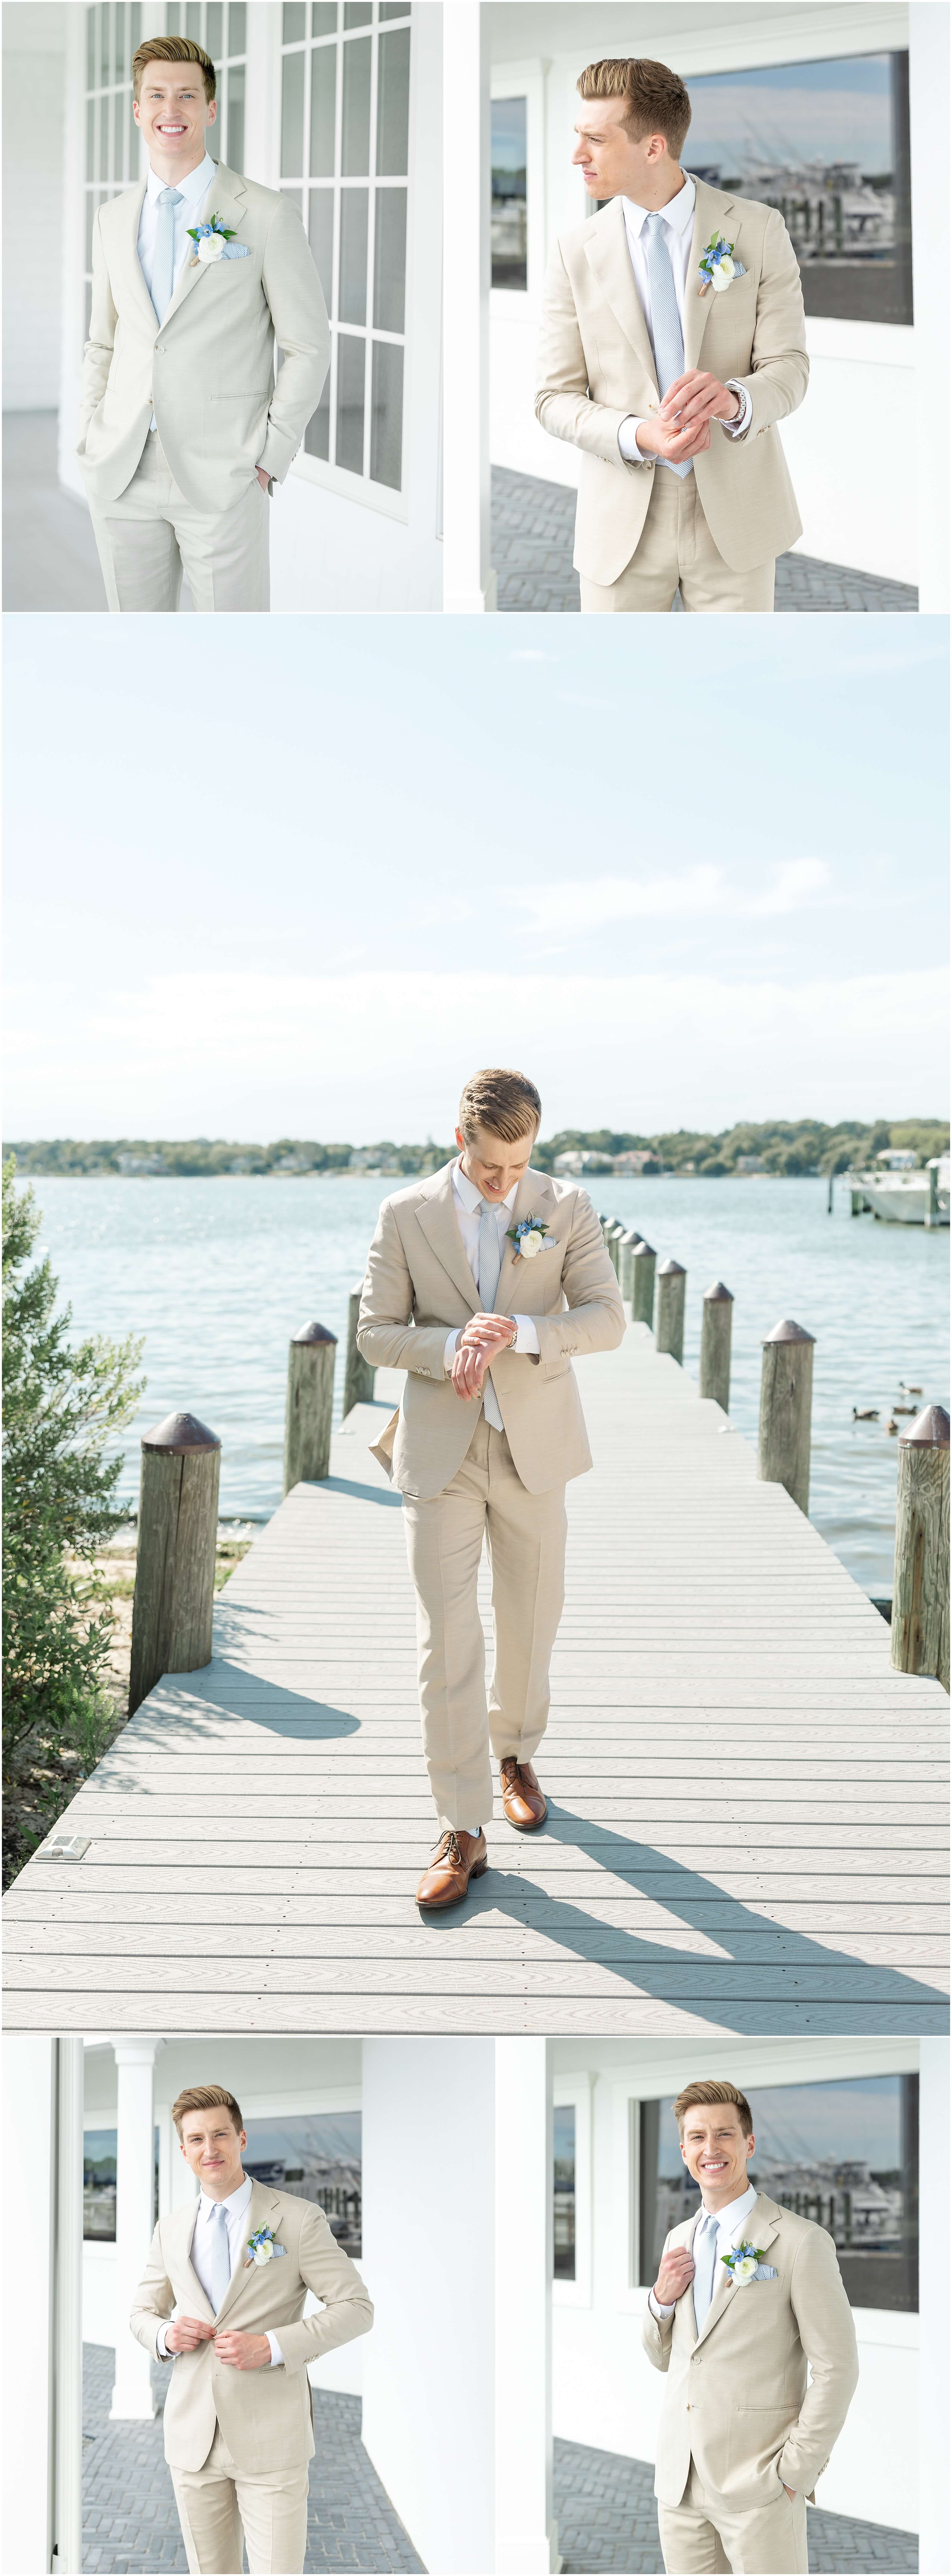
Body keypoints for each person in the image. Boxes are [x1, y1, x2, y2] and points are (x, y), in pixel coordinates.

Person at [356, 1067, 625, 1911]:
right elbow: (374, 1335)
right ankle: (462, 1823)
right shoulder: (405, 1214)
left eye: (519, 1165)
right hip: (438, 1451)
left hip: (534, 1449)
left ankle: (515, 1751)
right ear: (460, 1139)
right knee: (445, 1639)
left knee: (529, 1619)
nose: (506, 1183)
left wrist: (525, 1329)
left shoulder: (565, 1206)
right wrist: (449, 1345)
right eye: (489, 1166)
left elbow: (609, 1317)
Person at [535, 57, 808, 613]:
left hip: (737, 522)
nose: (577, 155)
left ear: (653, 148)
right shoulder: (573, 252)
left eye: (596, 139)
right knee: (621, 693)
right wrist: (640, 435)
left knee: (738, 689)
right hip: (621, 527)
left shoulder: (757, 229)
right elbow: (552, 399)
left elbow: (791, 366)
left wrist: (736, 400)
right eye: (577, 137)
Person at [78, 36, 330, 613]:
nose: (173, 110)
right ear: (138, 110)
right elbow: (103, 338)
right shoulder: (112, 219)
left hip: (225, 471)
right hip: (120, 466)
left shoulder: (265, 214)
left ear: (210, 110)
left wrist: (272, 454)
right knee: (136, 652)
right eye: (157, 96)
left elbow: (308, 346)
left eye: (187, 96)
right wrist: (94, 429)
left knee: (233, 654)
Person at [130, 2083, 373, 2575]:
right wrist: (164, 2336)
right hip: (192, 2441)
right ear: (183, 2150)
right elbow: (142, 2313)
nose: (209, 2148)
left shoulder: (299, 2220)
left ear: (242, 2139)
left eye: (220, 2134)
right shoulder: (169, 2230)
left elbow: (356, 2307)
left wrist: (273, 2346)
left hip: (272, 2438)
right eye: (196, 2139)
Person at [644, 2079, 859, 2574]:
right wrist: (660, 2301)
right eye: (698, 2137)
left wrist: (795, 2473)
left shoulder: (802, 2242)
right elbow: (665, 2357)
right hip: (679, 2482)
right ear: (684, 2151)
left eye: (724, 2134)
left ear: (749, 2144)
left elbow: (838, 2368)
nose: (711, 2148)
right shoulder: (679, 2237)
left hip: (759, 2483)